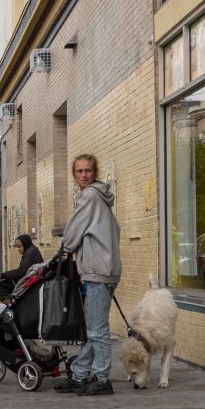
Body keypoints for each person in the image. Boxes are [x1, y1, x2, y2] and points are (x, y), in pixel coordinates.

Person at [54, 154, 122, 396]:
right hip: (105, 269)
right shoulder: (102, 199)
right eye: (80, 171)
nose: (84, 175)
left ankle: (103, 378)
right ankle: (81, 374)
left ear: (95, 172)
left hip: (98, 271)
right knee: (92, 327)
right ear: (75, 175)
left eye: (88, 171)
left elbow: (73, 232)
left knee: (97, 329)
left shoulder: (91, 196)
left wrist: (63, 251)